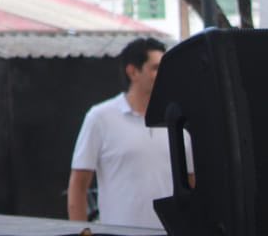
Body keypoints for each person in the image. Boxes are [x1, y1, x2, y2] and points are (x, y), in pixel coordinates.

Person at [69, 36, 193, 229]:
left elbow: (191, 184)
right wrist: (81, 233)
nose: (163, 74)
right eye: (155, 68)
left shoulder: (178, 120)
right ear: (133, 72)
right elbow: (78, 184)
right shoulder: (100, 117)